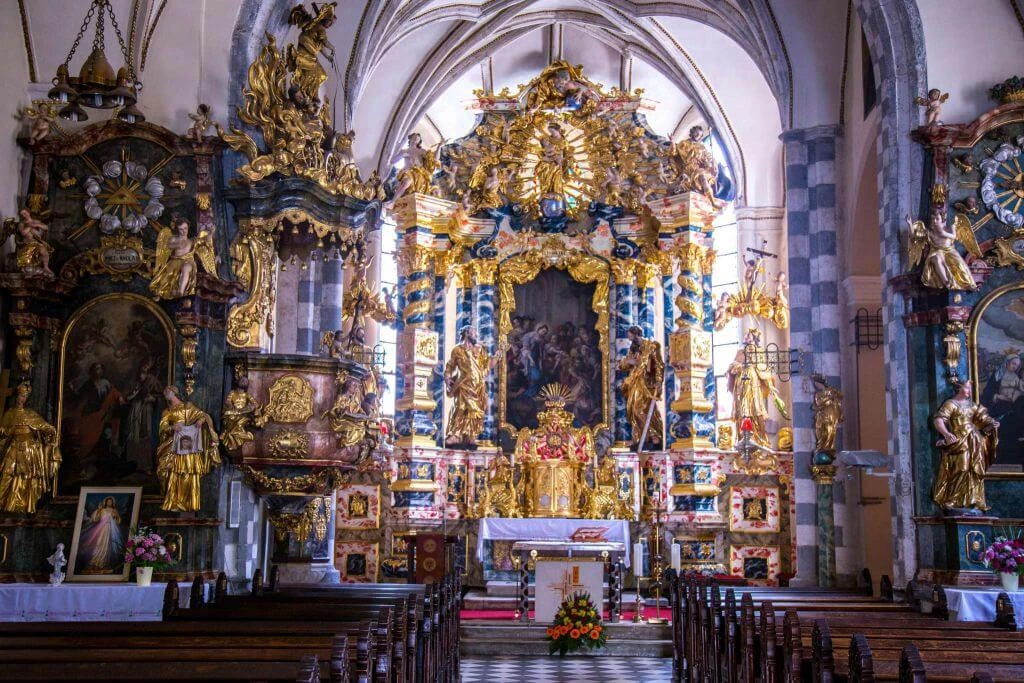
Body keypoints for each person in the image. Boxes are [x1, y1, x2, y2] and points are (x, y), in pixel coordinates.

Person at [932, 380, 999, 512]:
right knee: (961, 468)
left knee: (975, 469)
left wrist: (992, 424)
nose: (969, 391)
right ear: (959, 388)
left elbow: (983, 419)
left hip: (974, 441)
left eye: (970, 388)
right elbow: (939, 420)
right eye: (967, 388)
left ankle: (973, 499)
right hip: (959, 441)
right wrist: (946, 434)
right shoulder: (951, 404)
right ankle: (952, 498)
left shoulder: (972, 406)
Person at [155, 386, 220, 512]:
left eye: (169, 392)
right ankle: (173, 502)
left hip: (188, 445)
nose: (167, 394)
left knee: (189, 472)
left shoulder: (187, 407)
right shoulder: (167, 412)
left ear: (175, 393)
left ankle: (190, 502)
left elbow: (202, 415)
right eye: (165, 393)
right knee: (171, 472)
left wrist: (201, 421)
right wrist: (172, 427)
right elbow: (162, 428)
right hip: (173, 446)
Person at [0, 383, 61, 513]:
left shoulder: (31, 414)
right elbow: (4, 432)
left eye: (24, 396)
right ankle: (6, 504)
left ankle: (25, 506)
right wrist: (5, 431)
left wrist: (49, 430)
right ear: (16, 396)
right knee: (8, 475)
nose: (21, 399)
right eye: (20, 396)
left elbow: (44, 427)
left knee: (27, 478)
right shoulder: (10, 413)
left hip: (29, 450)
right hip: (14, 447)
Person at [444, 326, 503, 446]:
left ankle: (469, 435)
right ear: (466, 333)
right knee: (460, 408)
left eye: (476, 334)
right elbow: (450, 366)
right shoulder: (457, 350)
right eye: (473, 333)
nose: (476, 336)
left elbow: (488, 365)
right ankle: (455, 434)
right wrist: (447, 377)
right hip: (464, 384)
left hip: (478, 387)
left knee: (475, 412)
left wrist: (498, 355)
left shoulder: (479, 350)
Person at [618, 326, 665, 449]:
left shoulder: (652, 346)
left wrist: (659, 381)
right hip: (634, 383)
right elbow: (623, 365)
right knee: (633, 410)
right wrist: (627, 363)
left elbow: (659, 365)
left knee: (641, 408)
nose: (630, 340)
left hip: (646, 383)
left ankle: (654, 435)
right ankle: (639, 437)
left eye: (630, 336)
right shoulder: (633, 349)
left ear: (636, 335)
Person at [78, 496, 124, 572]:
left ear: (112, 503)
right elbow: (95, 519)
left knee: (106, 546)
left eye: (110, 501)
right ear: (105, 502)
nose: (109, 503)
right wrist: (98, 511)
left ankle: (102, 563)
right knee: (98, 544)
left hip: (109, 530)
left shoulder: (114, 510)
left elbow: (118, 521)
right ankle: (94, 562)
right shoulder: (101, 510)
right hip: (101, 529)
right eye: (108, 501)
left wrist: (115, 516)